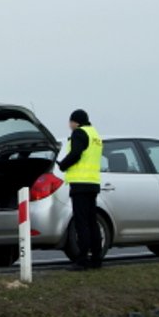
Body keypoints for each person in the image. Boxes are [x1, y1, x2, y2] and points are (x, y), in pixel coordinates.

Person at [57, 108, 104, 271]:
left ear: (75, 121)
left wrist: (62, 165)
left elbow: (76, 153)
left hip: (80, 183)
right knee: (92, 222)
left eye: (70, 122)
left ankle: (82, 259)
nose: (69, 125)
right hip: (92, 183)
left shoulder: (79, 133)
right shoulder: (95, 135)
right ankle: (97, 258)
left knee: (81, 222)